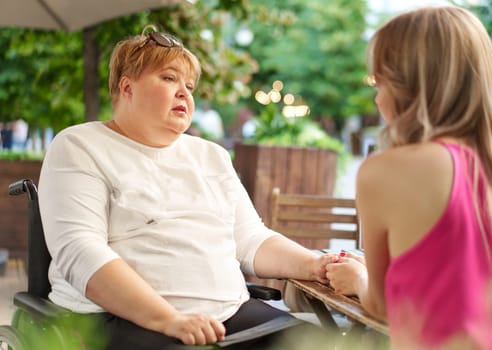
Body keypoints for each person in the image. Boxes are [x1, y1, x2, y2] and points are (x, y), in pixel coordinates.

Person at [38, 26, 337, 350]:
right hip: (120, 317)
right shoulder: (80, 145)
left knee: (319, 344)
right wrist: (167, 318)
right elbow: (80, 250)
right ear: (127, 87)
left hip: (230, 311)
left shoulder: (211, 155)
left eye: (189, 85)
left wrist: (314, 264)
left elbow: (251, 239)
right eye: (169, 78)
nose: (185, 92)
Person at [325, 6, 492, 349]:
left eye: (380, 81)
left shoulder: (387, 171)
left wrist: (359, 279)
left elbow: (386, 306)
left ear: (409, 87)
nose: (377, 97)